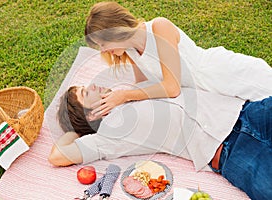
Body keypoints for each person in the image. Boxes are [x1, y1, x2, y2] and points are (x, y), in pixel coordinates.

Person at [49, 83, 272, 200]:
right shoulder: (108, 136)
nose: (95, 86)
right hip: (231, 153)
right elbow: (57, 156)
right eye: (87, 92)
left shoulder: (131, 89)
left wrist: (125, 95)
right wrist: (77, 129)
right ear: (91, 115)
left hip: (247, 112)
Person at [84, 1, 272, 117]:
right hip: (205, 94)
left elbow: (171, 87)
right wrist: (113, 101)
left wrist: (124, 96)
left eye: (103, 44)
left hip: (221, 74)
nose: (103, 51)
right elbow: (144, 86)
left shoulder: (159, 27)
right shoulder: (130, 51)